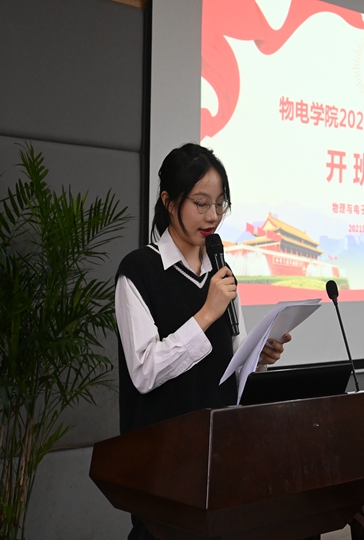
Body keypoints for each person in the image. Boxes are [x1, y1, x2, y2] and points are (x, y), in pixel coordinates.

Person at [115, 144, 291, 540]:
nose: (213, 216)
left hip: (221, 456)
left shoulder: (221, 272)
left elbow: (231, 357)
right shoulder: (138, 272)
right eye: (201, 203)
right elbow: (144, 371)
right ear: (169, 201)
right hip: (162, 465)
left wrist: (259, 356)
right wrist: (206, 312)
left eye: (219, 203)